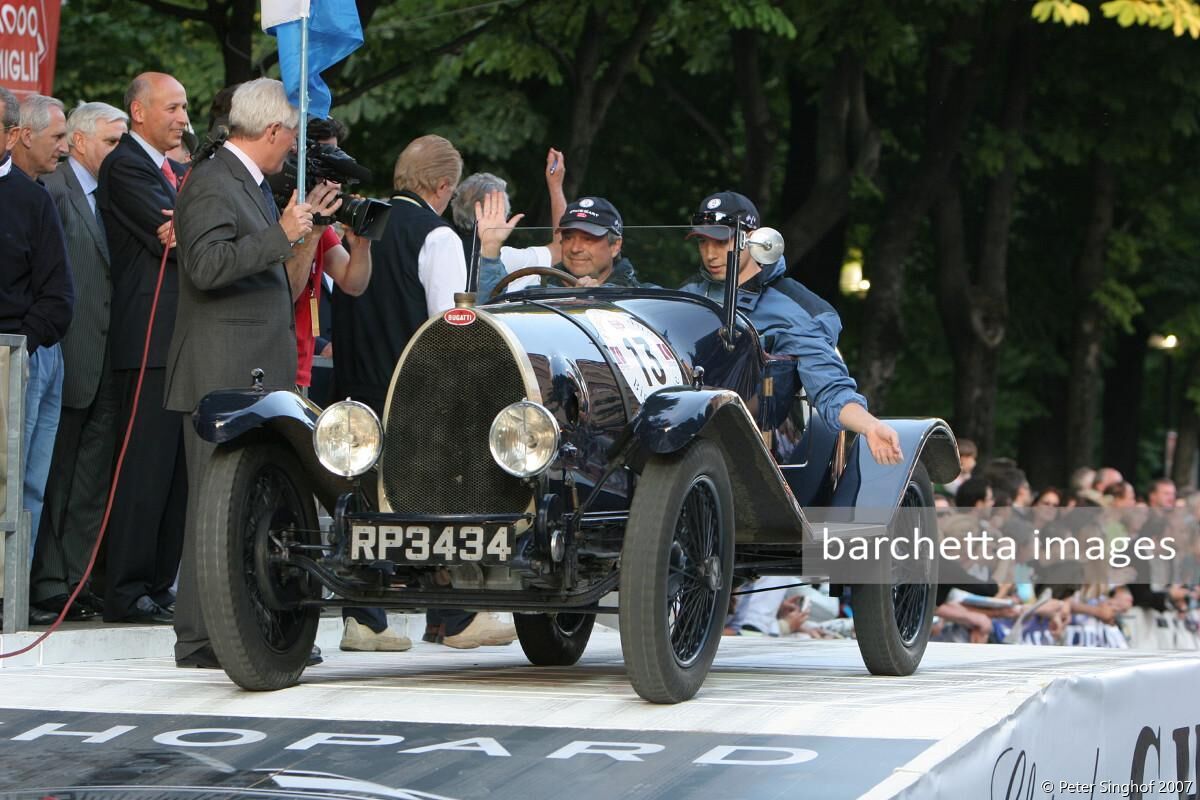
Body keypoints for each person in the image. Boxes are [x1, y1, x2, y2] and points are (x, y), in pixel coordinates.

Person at [166, 78, 332, 669]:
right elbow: (207, 268)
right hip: (222, 374)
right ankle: (202, 638)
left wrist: (289, 237)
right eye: (290, 137)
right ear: (270, 131)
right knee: (216, 509)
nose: (293, 148)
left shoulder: (249, 183)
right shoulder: (212, 182)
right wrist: (279, 236)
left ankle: (229, 632)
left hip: (252, 374)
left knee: (242, 509)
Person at [332, 134, 515, 650]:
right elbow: (449, 324)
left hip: (353, 382)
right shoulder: (437, 237)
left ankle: (364, 619)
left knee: (363, 500)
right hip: (412, 387)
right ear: (442, 186)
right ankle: (454, 617)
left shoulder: (361, 221)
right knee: (436, 497)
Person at [678, 191, 902, 465]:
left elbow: (830, 386)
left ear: (757, 238)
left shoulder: (797, 309)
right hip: (679, 433)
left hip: (755, 454)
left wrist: (869, 426)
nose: (710, 254)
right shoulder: (686, 296)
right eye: (703, 241)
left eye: (722, 241)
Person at [96, 72, 191, 625]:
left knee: (174, 472)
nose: (183, 118)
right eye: (173, 108)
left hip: (176, 341)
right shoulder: (127, 165)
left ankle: (156, 583)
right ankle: (126, 589)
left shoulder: (166, 168)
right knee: (145, 470)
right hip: (148, 338)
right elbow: (175, 237)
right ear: (139, 111)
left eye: (183, 108)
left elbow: (186, 230)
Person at [30, 102, 128, 620]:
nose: (119, 153)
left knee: (90, 480)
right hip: (63, 356)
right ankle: (44, 580)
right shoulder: (52, 189)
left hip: (109, 359)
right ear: (82, 143)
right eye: (111, 142)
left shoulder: (116, 196)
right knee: (52, 476)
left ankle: (75, 581)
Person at [5, 94, 74, 606]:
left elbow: (58, 292)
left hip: (27, 356)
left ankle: (10, 595)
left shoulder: (34, 199)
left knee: (26, 486)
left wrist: (23, 347)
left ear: (11, 133)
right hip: (20, 352)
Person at [449, 148, 567, 293]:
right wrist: (556, 185)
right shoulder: (505, 258)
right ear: (498, 216)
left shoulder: (444, 247)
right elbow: (561, 249)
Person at [476, 194, 642, 294]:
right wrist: (490, 249)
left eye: (588, 238)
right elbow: (491, 313)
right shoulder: (534, 291)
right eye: (568, 237)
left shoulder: (642, 299)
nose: (575, 248)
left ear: (615, 246)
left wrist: (601, 296)